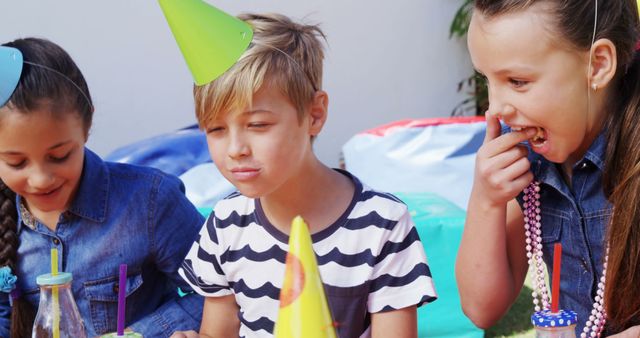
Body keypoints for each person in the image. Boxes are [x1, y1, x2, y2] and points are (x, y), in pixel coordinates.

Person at [174, 13, 437, 338]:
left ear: (315, 114)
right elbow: (218, 332)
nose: (235, 148)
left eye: (257, 125)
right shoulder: (225, 224)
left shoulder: (382, 224)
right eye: (216, 129)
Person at [455, 0, 640, 337]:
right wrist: (486, 200)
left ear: (597, 66)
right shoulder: (529, 161)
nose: (496, 108)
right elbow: (482, 308)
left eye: (517, 81)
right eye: (487, 81)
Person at [0, 37, 204, 337]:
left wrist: (140, 333)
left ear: (87, 123)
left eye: (59, 156)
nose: (40, 179)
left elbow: (219, 292)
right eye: (16, 163)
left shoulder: (151, 202)